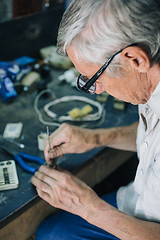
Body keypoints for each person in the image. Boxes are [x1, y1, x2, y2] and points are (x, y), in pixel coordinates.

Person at [31, 0, 160, 239]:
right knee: (50, 232)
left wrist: (88, 206)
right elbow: (151, 138)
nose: (97, 90)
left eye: (92, 80)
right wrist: (95, 137)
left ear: (135, 59)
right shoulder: (148, 84)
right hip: (136, 202)